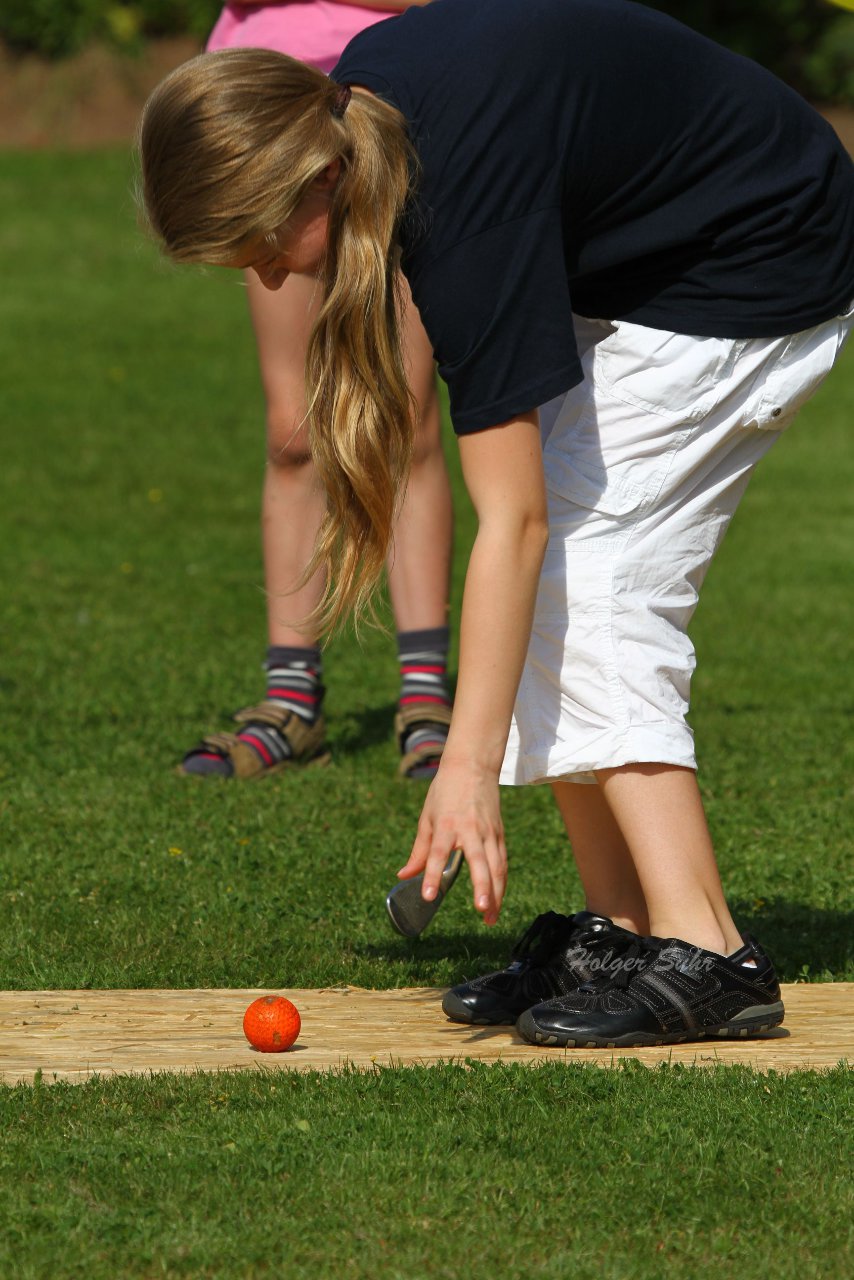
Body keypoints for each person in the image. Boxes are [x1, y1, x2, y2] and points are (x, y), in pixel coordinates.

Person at [137, 0, 854, 1047]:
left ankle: (708, 952)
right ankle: (619, 930)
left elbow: (511, 520)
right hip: (659, 253)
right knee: (561, 558)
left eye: (256, 244)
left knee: (595, 569)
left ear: (312, 181)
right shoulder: (370, 107)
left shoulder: (453, 203)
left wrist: (467, 763)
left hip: (759, 246)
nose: (267, 275)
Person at [181, 0, 455, 783]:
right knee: (293, 430)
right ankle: (292, 699)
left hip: (370, 126)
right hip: (262, 133)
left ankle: (426, 698)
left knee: (402, 415)